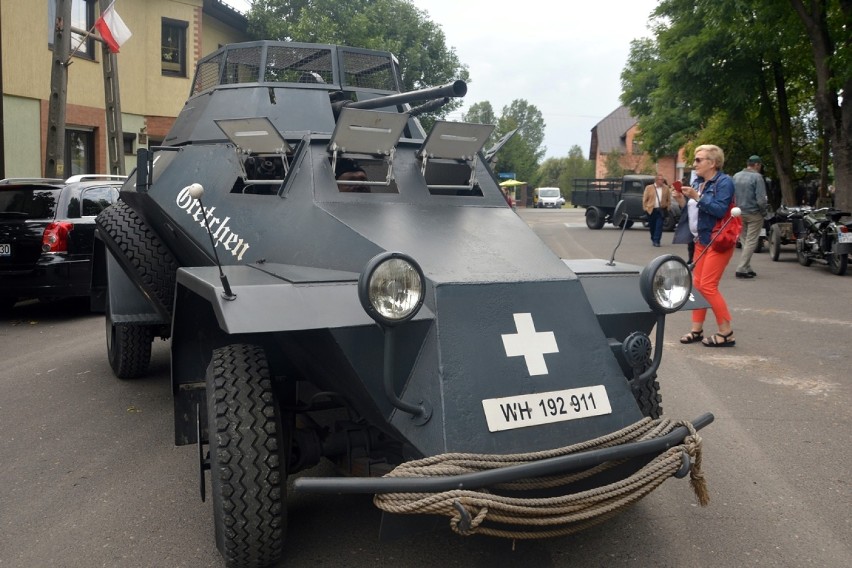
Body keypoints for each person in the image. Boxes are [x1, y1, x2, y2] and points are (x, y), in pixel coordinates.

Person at [679, 144, 737, 347]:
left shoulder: (724, 182)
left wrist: (696, 197)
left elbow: (720, 210)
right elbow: (694, 213)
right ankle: (696, 330)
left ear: (712, 163)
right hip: (701, 240)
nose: (694, 163)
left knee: (709, 287)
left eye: (698, 159)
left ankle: (726, 332)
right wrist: (683, 199)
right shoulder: (700, 183)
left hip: (718, 240)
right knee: (698, 287)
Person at [733, 155, 768, 279]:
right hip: (754, 213)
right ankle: (742, 268)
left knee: (744, 240)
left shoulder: (736, 176)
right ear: (757, 165)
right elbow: (761, 199)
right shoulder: (757, 177)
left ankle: (747, 266)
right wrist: (764, 212)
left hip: (738, 212)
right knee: (751, 241)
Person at [671, 180, 698, 263]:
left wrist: (698, 198)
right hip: (691, 224)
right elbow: (685, 208)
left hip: (701, 226)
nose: (695, 165)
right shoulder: (696, 184)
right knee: (691, 244)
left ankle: (693, 260)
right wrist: (680, 200)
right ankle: (691, 259)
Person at [642, 173, 671, 247]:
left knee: (659, 226)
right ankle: (653, 238)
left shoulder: (666, 188)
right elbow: (645, 199)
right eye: (660, 179)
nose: (662, 181)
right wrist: (645, 208)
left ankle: (657, 241)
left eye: (662, 179)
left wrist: (668, 207)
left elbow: (669, 199)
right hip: (651, 210)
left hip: (661, 210)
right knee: (652, 226)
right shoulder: (649, 188)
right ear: (656, 180)